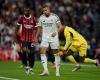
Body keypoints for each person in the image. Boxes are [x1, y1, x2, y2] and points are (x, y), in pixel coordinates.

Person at [36, 5, 63, 76]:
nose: (45, 12)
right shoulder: (41, 18)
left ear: (49, 10)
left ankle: (57, 71)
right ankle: (45, 70)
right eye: (44, 11)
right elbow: (39, 27)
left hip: (54, 37)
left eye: (46, 10)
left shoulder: (55, 16)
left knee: (56, 54)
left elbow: (60, 27)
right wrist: (36, 37)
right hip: (45, 37)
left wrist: (56, 32)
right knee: (42, 51)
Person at [15, 7, 37, 75]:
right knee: (24, 51)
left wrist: (35, 35)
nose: (26, 12)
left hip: (32, 39)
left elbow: (37, 27)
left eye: (27, 11)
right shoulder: (21, 18)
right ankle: (26, 66)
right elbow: (17, 27)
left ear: (29, 11)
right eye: (25, 11)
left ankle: (31, 68)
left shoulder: (33, 18)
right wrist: (17, 33)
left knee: (32, 54)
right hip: (23, 38)